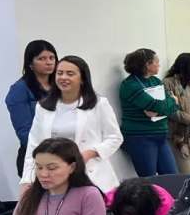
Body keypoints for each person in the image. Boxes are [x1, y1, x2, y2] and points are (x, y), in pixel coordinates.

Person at [20, 55, 123, 194]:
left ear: (82, 79)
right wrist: (27, 180)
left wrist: (90, 153)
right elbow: (34, 144)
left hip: (90, 173)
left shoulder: (99, 104)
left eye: (70, 73)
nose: (63, 77)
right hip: (54, 176)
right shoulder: (43, 107)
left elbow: (115, 137)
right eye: (59, 73)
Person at [118, 48, 179, 177]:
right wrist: (169, 104)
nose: (159, 65)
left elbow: (173, 106)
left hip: (161, 135)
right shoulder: (130, 85)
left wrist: (171, 104)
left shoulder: (155, 81)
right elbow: (155, 105)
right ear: (147, 64)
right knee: (149, 179)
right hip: (141, 137)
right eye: (156, 61)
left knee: (172, 177)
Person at [5, 40, 57, 177]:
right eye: (42, 59)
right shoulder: (20, 89)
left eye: (52, 58)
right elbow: (25, 132)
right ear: (30, 64)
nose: (49, 62)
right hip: (36, 157)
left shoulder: (59, 85)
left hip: (65, 153)